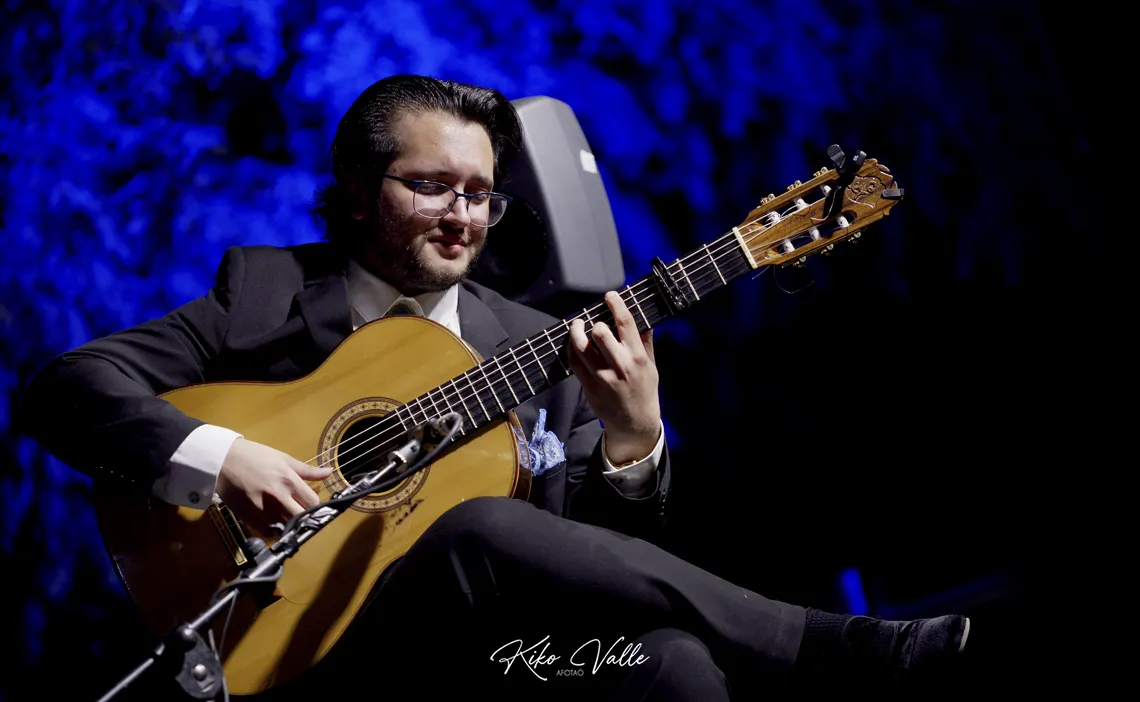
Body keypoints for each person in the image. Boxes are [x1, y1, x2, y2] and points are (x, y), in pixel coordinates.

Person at [16, 74, 970, 700]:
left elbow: (602, 561)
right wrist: (224, 459)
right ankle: (827, 647)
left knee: (672, 663)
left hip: (503, 661)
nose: (464, 216)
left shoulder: (534, 346)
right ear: (358, 191)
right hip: (315, 656)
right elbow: (68, 386)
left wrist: (635, 444)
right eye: (434, 187)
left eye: (482, 194)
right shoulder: (264, 291)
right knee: (475, 525)